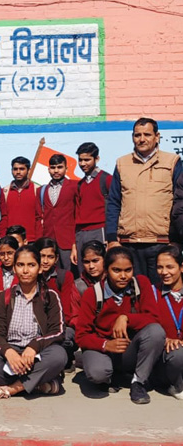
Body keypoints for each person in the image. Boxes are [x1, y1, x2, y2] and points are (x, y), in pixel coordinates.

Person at [75, 246, 165, 404]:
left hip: (128, 348)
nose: (123, 276)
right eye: (116, 270)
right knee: (98, 374)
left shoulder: (141, 284)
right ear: (106, 270)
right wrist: (106, 344)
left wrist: (126, 318)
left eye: (128, 270)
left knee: (156, 332)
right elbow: (81, 336)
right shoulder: (93, 294)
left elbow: (154, 318)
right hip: (103, 349)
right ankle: (111, 376)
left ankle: (138, 382)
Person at [0, 245, 67, 399]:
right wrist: (8, 351)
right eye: (20, 265)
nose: (25, 271)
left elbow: (58, 332)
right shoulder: (3, 297)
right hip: (10, 353)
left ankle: (12, 389)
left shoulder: (50, 296)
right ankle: (37, 384)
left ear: (40, 268)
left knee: (59, 356)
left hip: (37, 353)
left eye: (31, 265)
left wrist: (34, 346)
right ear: (14, 268)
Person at [106, 118, 182, 283]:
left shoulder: (172, 162)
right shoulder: (122, 163)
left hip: (162, 242)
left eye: (147, 135)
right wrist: (111, 238)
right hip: (129, 243)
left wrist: (177, 240)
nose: (142, 139)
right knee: (136, 290)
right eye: (137, 135)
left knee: (161, 291)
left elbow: (179, 203)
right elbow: (114, 202)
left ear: (157, 137)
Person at [35, 237, 80, 370]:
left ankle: (65, 358)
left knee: (66, 337)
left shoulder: (64, 276)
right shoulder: (30, 275)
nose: (45, 261)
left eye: (50, 257)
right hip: (35, 325)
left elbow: (66, 311)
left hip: (59, 324)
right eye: (42, 256)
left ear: (56, 259)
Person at [73, 143, 112, 274]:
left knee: (101, 269)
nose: (83, 163)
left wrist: (111, 236)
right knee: (83, 270)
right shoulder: (80, 184)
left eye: (87, 160)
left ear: (97, 159)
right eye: (80, 160)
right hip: (81, 233)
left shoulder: (106, 179)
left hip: (99, 230)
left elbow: (116, 207)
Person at [37, 154, 79, 274]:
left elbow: (78, 215)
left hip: (68, 241)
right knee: (49, 274)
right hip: (49, 239)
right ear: (48, 169)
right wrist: (40, 241)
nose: (56, 170)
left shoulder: (75, 186)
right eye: (53, 167)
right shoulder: (42, 190)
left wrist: (75, 242)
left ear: (66, 168)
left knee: (69, 273)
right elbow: (38, 217)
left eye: (60, 167)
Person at [152, 245, 183, 399]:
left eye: (170, 267)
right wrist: (165, 339)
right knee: (177, 353)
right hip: (166, 356)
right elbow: (147, 327)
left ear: (181, 267)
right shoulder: (152, 293)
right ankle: (177, 387)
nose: (164, 272)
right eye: (160, 267)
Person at [3, 157, 41, 242]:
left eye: (22, 169)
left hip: (32, 240)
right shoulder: (5, 191)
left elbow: (39, 217)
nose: (18, 172)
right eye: (15, 169)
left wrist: (38, 239)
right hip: (11, 240)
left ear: (29, 170)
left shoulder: (37, 190)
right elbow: (3, 217)